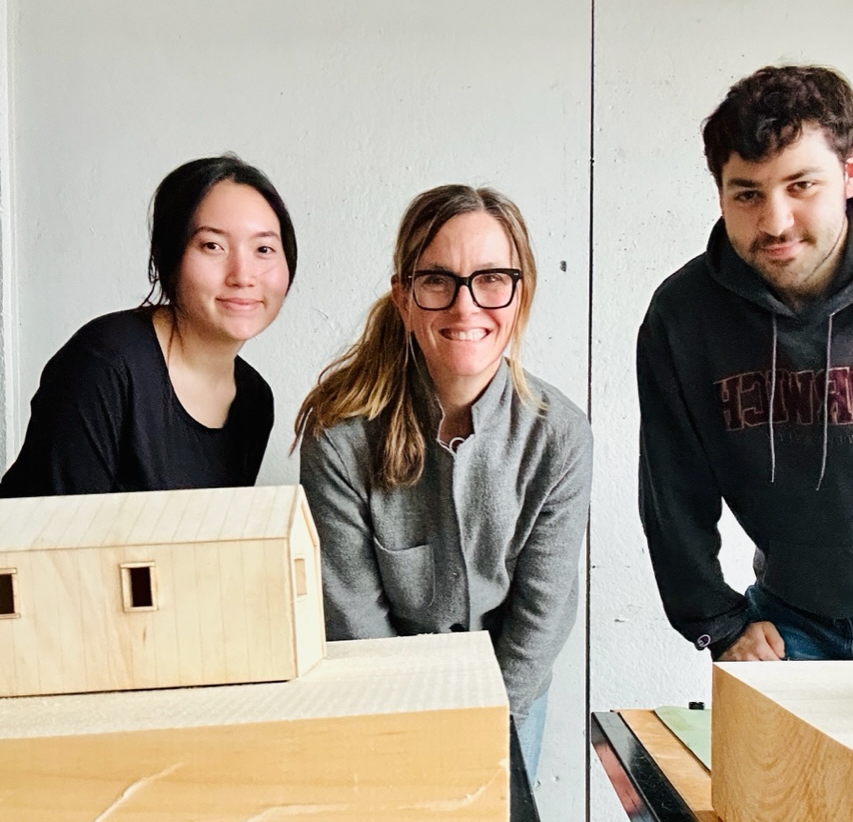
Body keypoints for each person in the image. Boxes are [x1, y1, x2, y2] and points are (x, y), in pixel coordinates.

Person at [637, 64, 853, 663]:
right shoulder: (683, 316)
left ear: (850, 171)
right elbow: (672, 492)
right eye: (747, 194)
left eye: (801, 185)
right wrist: (717, 624)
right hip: (788, 627)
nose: (775, 221)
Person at [295, 184, 592, 775]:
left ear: (521, 295)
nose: (465, 306)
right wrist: (414, 735)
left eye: (492, 279)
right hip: (382, 701)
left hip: (510, 697)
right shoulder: (339, 434)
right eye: (437, 280)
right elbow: (351, 612)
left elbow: (542, 611)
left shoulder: (560, 436)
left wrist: (489, 727)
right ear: (404, 299)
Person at [0, 154, 297, 497]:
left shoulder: (253, 399)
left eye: (264, 249)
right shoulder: (105, 362)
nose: (242, 276)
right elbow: (55, 527)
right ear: (168, 257)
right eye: (212, 246)